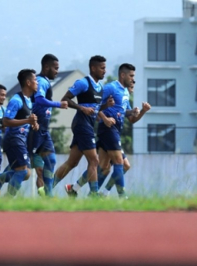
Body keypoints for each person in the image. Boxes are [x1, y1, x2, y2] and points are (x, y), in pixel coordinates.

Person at [52, 55, 111, 196]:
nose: (105, 71)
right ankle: (94, 195)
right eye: (102, 68)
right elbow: (65, 99)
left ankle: (47, 188)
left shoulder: (100, 88)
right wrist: (82, 108)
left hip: (88, 125)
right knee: (94, 160)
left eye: (105, 68)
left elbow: (94, 109)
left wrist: (105, 106)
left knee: (72, 163)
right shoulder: (83, 83)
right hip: (81, 124)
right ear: (93, 68)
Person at [0, 69, 39, 196]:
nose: (37, 82)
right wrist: (28, 120)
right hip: (13, 139)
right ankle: (7, 200)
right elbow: (6, 121)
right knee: (23, 172)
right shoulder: (16, 100)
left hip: (21, 140)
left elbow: (25, 119)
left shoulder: (29, 100)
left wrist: (33, 123)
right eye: (35, 80)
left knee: (27, 174)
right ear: (28, 82)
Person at [97, 64, 150, 198]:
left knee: (109, 167)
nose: (133, 80)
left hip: (115, 131)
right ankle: (123, 196)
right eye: (131, 76)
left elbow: (131, 119)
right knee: (120, 163)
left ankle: (95, 193)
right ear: (123, 75)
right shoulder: (110, 87)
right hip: (107, 129)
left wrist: (142, 111)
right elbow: (95, 105)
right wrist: (105, 118)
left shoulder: (126, 92)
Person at [28, 54, 69, 197]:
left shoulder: (45, 82)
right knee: (21, 169)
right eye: (55, 68)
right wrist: (58, 104)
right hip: (34, 129)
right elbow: (39, 99)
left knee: (51, 161)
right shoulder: (41, 81)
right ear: (46, 67)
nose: (57, 71)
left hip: (43, 131)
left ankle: (49, 198)